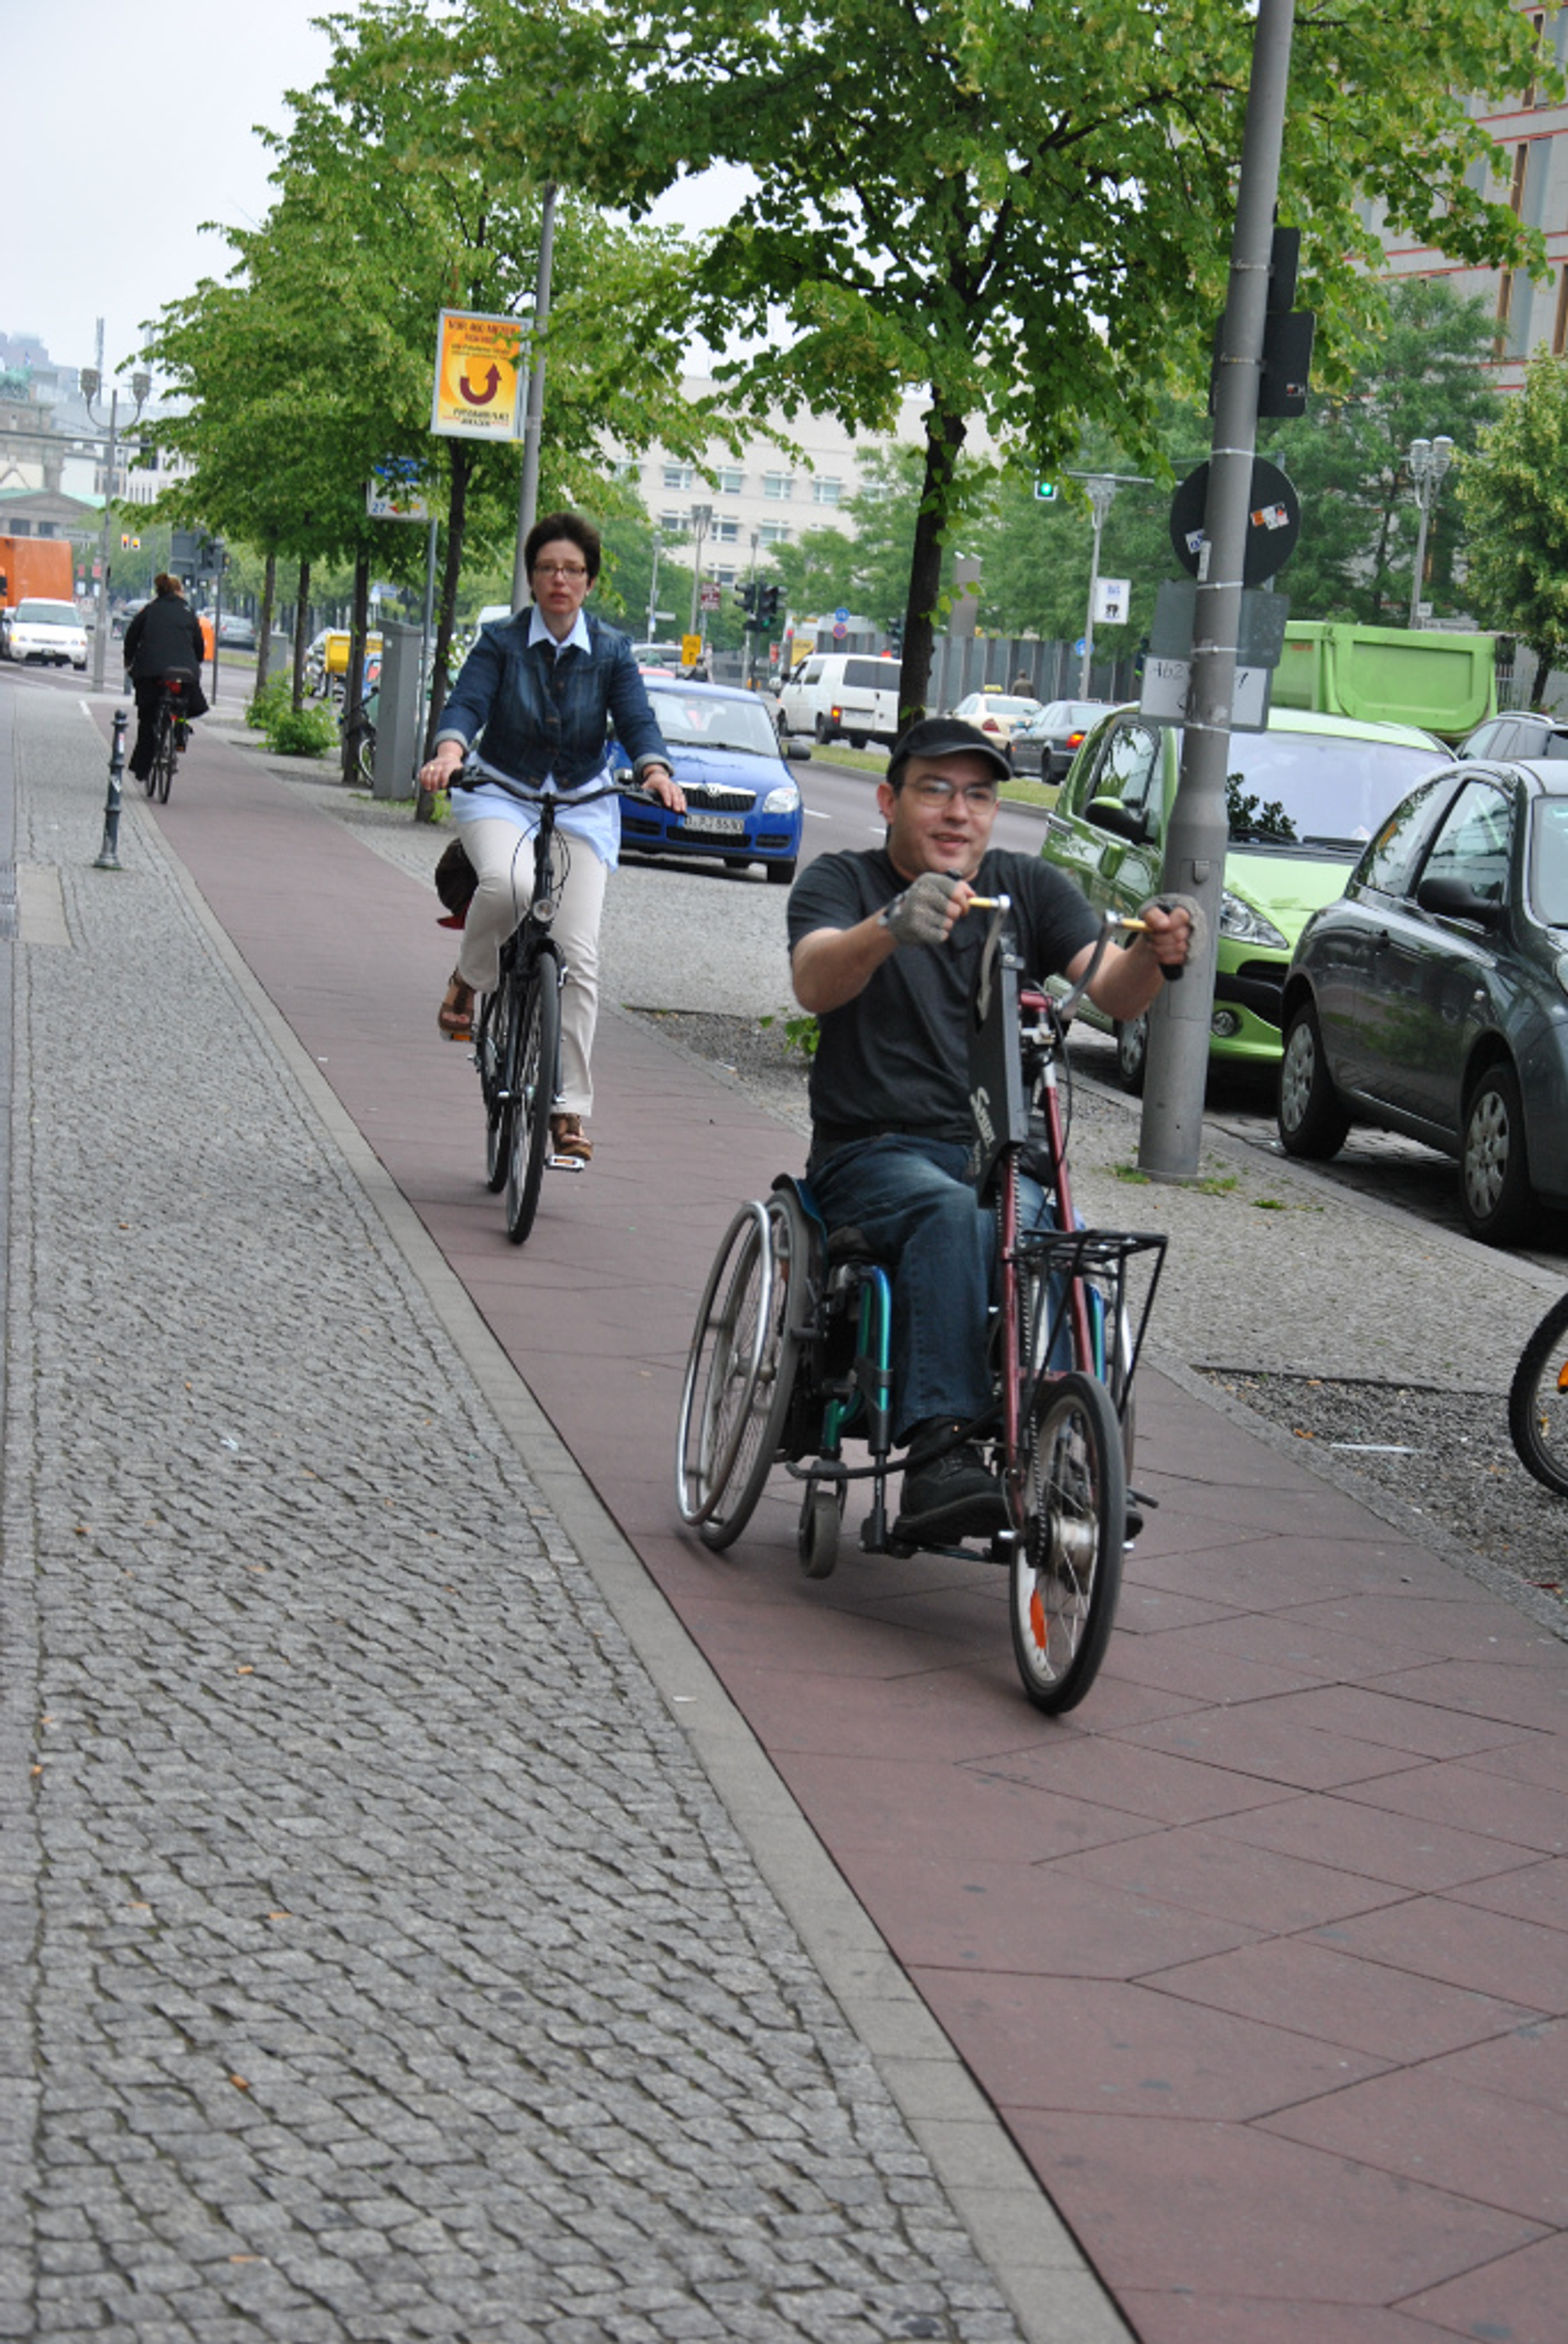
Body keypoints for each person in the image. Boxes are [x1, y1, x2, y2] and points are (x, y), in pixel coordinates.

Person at [787, 715, 1197, 1538]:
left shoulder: (1028, 887)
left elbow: (1111, 993)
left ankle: (1070, 1450)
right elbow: (813, 980)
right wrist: (891, 927)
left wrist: (1156, 950)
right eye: (934, 790)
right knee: (953, 1215)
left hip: (999, 1154)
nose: (957, 812)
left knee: (1064, 1247)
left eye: (977, 795)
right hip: (873, 1151)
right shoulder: (842, 881)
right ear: (888, 800)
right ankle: (940, 1455)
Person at [417, 512, 685, 1163]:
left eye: (571, 569)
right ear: (532, 579)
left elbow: (638, 720)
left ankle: (567, 1109)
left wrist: (655, 770)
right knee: (506, 887)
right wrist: (449, 753)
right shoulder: (500, 642)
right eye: (546, 568)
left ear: (589, 582)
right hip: (501, 792)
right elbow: (466, 705)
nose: (558, 579)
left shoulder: (614, 652)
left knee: (577, 953)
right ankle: (468, 981)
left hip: (583, 803)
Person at [122, 574, 208, 780]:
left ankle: (142, 767)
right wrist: (195, 662)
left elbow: (131, 636)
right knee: (184, 699)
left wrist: (129, 661)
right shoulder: (189, 612)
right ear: (178, 591)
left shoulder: (149, 611)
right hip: (183, 672)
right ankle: (179, 726)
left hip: (152, 673)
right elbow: (199, 646)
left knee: (148, 715)